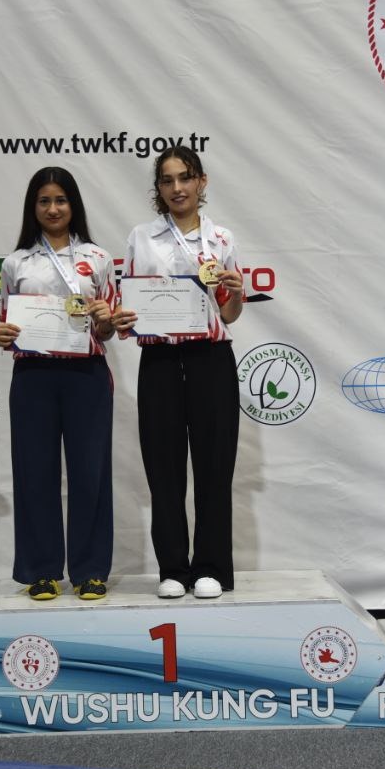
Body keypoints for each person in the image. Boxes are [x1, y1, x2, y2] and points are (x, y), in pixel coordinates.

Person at [109, 147, 245, 600]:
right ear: (158, 188)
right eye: (167, 180)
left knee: (214, 468)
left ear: (201, 181)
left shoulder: (221, 238)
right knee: (163, 467)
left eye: (185, 178)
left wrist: (235, 293)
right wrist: (124, 317)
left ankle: (211, 567)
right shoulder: (141, 237)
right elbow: (128, 303)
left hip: (211, 359)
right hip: (160, 362)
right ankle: (172, 568)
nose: (177, 188)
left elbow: (230, 314)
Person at [0, 167, 117, 601]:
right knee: (35, 473)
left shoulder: (97, 258)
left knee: (90, 473)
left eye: (60, 200)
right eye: (44, 201)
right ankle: (42, 570)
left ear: (73, 204)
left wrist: (105, 320)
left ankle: (90, 570)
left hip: (87, 376)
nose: (53, 208)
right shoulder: (16, 262)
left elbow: (108, 329)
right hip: (33, 377)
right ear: (33, 207)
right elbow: (6, 324)